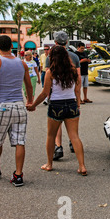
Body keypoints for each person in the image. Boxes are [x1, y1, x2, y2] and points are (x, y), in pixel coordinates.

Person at [27, 46, 87, 176]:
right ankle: (82, 166)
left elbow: (45, 93)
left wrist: (33, 105)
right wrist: (78, 106)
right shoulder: (73, 71)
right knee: (74, 136)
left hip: (56, 106)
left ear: (52, 57)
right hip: (71, 104)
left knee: (51, 136)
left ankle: (49, 164)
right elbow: (77, 91)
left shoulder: (51, 72)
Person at [0, 35, 33, 186]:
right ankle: (18, 175)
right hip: (19, 106)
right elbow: (28, 85)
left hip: (3, 106)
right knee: (19, 141)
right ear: (11, 47)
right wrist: (30, 101)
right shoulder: (22, 64)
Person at [45, 32, 81, 160]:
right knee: (74, 132)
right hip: (71, 98)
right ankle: (80, 161)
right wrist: (78, 99)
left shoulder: (51, 57)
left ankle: (58, 146)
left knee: (56, 126)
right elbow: (78, 80)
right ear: (67, 42)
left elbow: (48, 77)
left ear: (55, 42)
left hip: (56, 100)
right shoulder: (75, 57)